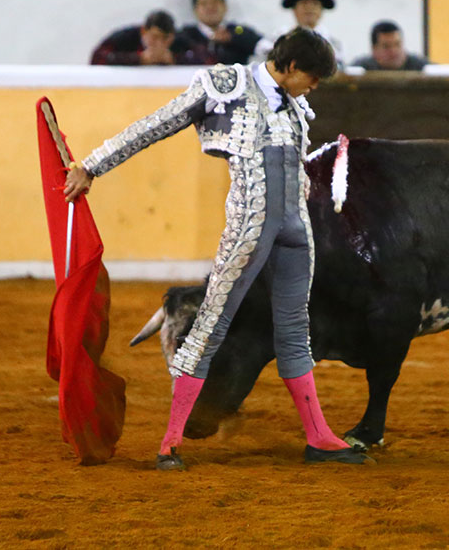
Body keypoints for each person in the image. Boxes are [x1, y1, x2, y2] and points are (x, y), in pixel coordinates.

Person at [65, 28, 372, 468]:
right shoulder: (225, 85)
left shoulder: (297, 105)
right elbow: (156, 124)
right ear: (288, 66)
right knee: (210, 324)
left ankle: (318, 437)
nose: (315, 86)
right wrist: (92, 165)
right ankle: (170, 442)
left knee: (293, 331)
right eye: (312, 76)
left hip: (295, 230)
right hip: (249, 227)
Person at [256, 0, 344, 66]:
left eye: (315, 4)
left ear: (321, 11)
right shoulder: (280, 34)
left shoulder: (332, 41)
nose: (309, 8)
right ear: (294, 10)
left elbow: (338, 62)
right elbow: (261, 50)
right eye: (304, 4)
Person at [181, 0, 263, 65]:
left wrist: (232, 38)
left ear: (225, 6)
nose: (210, 7)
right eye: (204, 3)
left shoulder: (238, 30)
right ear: (195, 10)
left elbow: (263, 47)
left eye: (215, 2)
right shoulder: (185, 35)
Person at [90, 10, 198, 66]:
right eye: (154, 37)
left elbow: (205, 59)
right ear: (143, 32)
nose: (159, 43)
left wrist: (175, 59)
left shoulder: (181, 40)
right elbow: (98, 57)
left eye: (165, 39)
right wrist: (138, 59)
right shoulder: (125, 37)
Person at [350, 20, 429, 71]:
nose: (394, 51)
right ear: (374, 49)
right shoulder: (361, 68)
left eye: (397, 44)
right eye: (386, 47)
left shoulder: (421, 67)